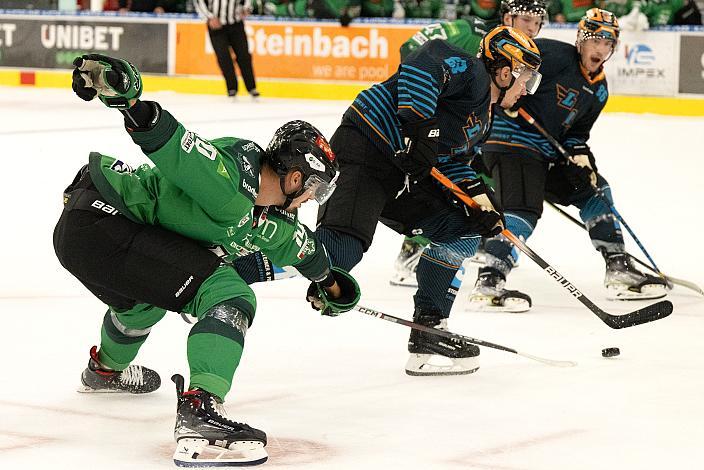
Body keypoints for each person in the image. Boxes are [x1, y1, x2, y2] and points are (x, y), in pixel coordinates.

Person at [55, 54, 360, 467]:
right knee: (228, 294)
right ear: (295, 178)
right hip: (104, 220)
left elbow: (299, 247)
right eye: (315, 188)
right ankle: (200, 412)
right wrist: (130, 103)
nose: (312, 200)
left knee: (144, 301)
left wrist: (329, 282)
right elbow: (176, 146)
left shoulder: (265, 213)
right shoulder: (230, 183)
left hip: (88, 229)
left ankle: (104, 370)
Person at [313, 26, 541, 376]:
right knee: (337, 255)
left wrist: (481, 201)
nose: (527, 88)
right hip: (369, 146)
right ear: (506, 71)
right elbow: (426, 61)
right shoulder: (474, 72)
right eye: (526, 77)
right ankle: (219, 268)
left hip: (405, 175)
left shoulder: (485, 118)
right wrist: (422, 128)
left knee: (463, 230)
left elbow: (449, 162)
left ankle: (428, 332)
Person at [467, 8, 668, 313]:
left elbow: (576, 134)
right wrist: (506, 99)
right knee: (522, 209)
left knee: (595, 189)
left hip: (545, 154)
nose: (601, 48)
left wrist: (581, 158)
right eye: (595, 40)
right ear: (580, 40)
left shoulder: (599, 91)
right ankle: (489, 281)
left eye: (608, 42)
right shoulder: (552, 54)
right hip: (509, 143)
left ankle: (617, 268)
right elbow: (502, 68)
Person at [391, 0, 547, 287]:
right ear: (507, 17)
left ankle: (456, 241)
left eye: (538, 23)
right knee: (437, 180)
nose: (533, 28)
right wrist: (425, 102)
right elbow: (411, 47)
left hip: (467, 124)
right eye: (526, 20)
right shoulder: (472, 31)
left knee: (479, 175)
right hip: (432, 119)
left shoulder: (517, 60)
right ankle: (413, 253)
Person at [193, 0, 260, 98]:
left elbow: (247, 2)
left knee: (244, 55)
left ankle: (251, 87)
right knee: (223, 57)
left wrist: (247, 8)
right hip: (216, 26)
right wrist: (209, 17)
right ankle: (231, 88)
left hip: (236, 23)